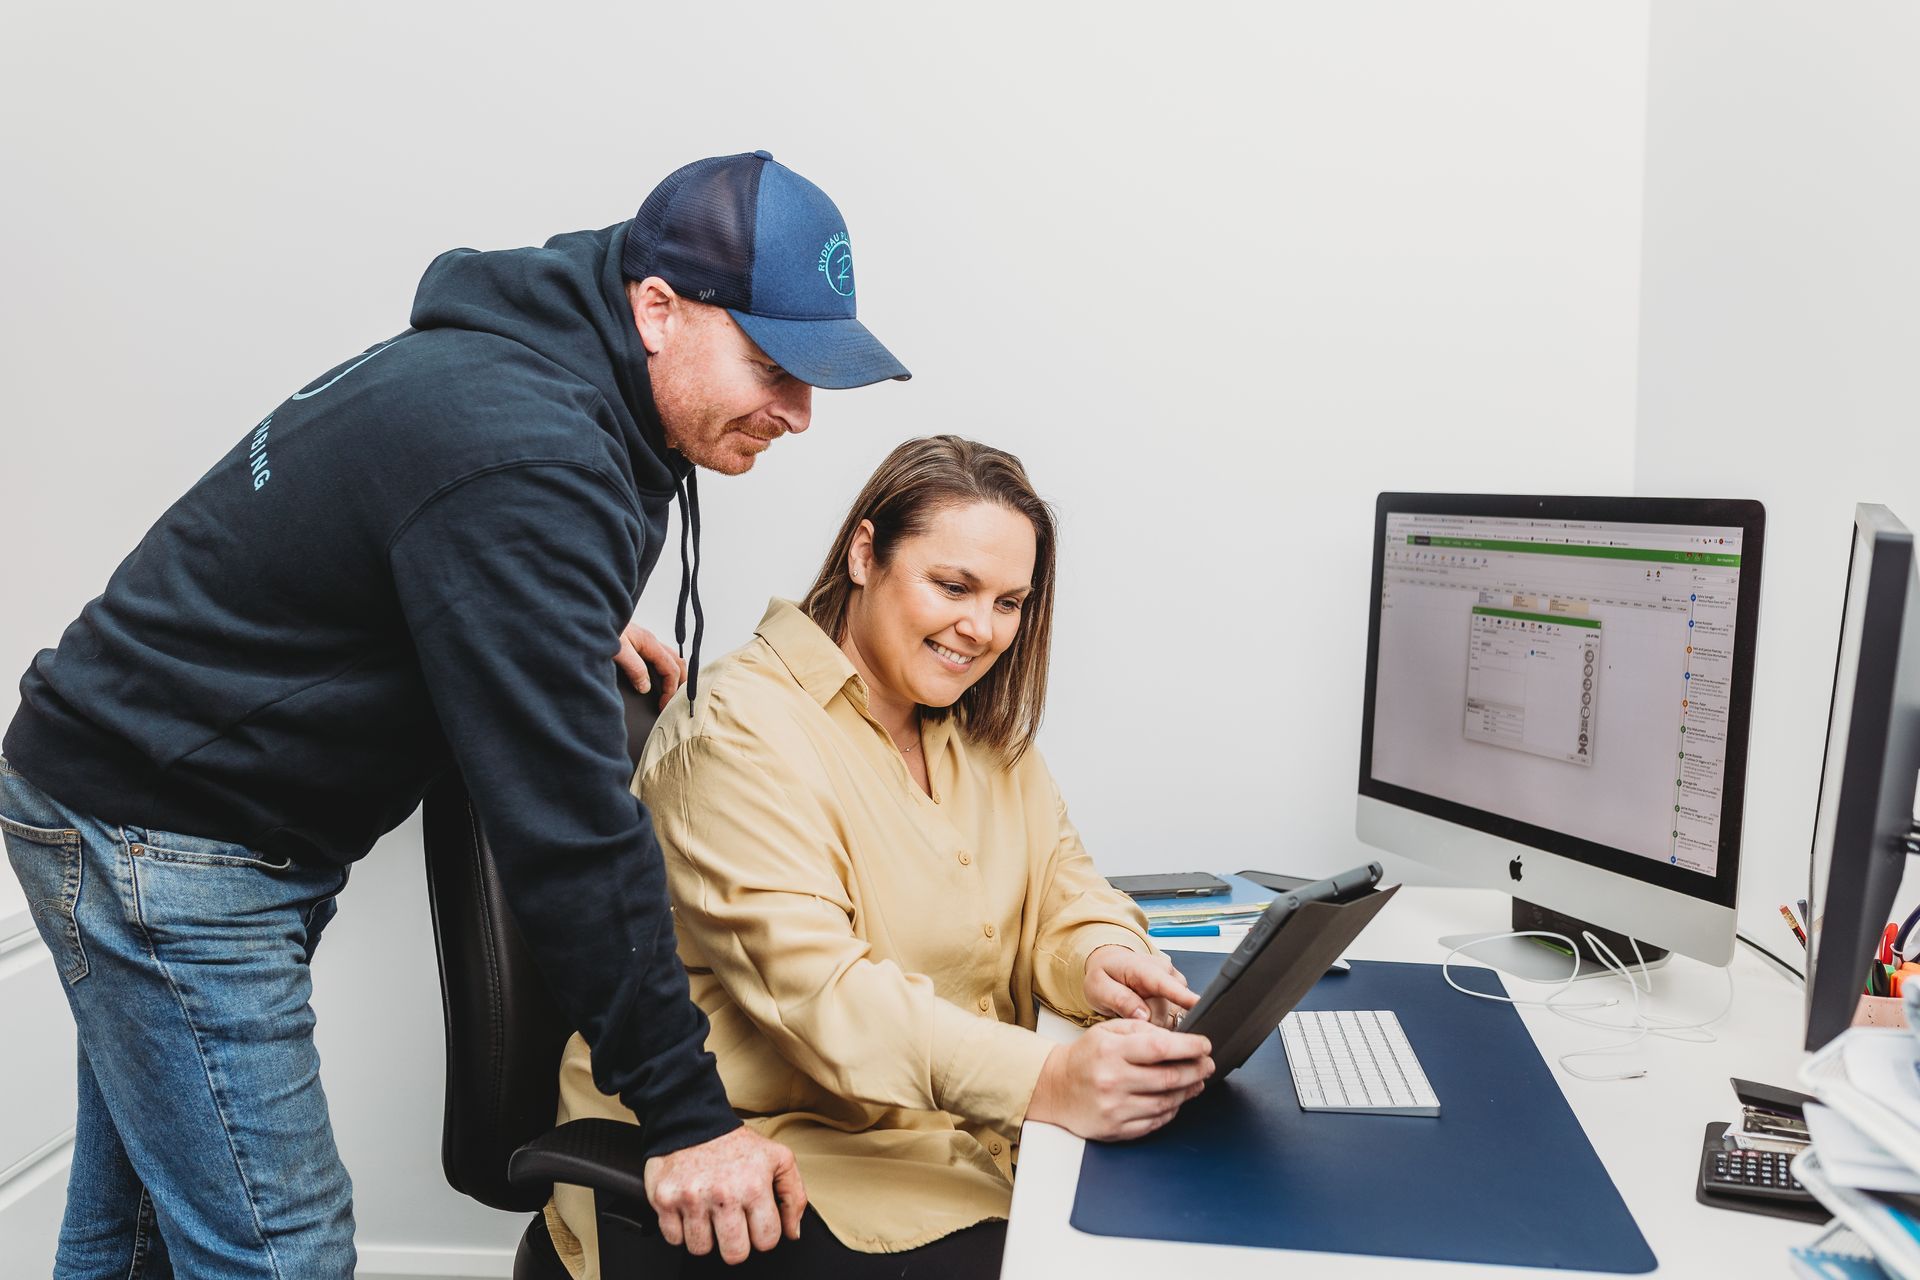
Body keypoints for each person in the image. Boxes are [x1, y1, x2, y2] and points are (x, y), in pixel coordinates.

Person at [0, 150, 908, 1279]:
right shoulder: (521, 446)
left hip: (140, 783)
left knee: (136, 1230)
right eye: (773, 363)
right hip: (160, 831)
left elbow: (427, 534)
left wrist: (527, 620)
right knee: (278, 1256)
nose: (800, 411)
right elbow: (569, 826)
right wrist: (684, 1117)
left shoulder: (553, 395)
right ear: (658, 308)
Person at [549, 436, 1215, 1278]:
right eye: (953, 586)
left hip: (946, 1140)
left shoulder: (980, 733)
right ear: (866, 554)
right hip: (780, 1154)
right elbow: (825, 996)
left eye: (1010, 602)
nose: (981, 629)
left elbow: (1062, 884)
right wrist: (1050, 1077)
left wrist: (1102, 957)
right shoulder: (739, 733)